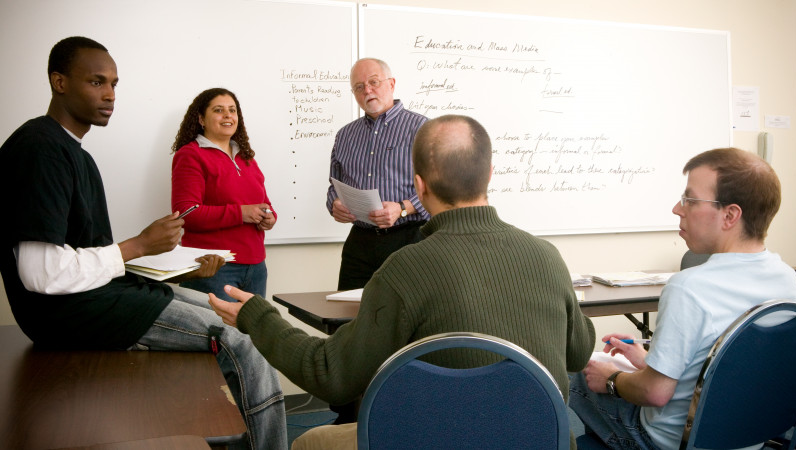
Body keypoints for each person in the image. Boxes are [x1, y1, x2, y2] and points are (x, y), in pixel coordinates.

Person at [211, 114, 596, 449]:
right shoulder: (547, 256)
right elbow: (578, 354)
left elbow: (330, 374)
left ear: (419, 185)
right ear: (490, 175)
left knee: (311, 441)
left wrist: (255, 315)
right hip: (545, 438)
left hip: (438, 440)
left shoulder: (405, 269)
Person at [0, 36, 286, 450]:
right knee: (240, 338)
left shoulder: (74, 153)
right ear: (59, 82)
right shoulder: (39, 150)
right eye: (96, 82)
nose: (110, 95)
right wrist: (139, 245)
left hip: (100, 295)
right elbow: (40, 273)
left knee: (229, 312)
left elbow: (82, 254)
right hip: (76, 312)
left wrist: (155, 258)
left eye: (114, 84)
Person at [569, 147, 796, 449]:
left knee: (582, 375)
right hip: (751, 439)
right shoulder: (788, 279)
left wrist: (612, 378)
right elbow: (730, 370)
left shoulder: (688, 287)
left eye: (690, 200)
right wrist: (650, 361)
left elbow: (655, 394)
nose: (677, 209)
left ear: (730, 215)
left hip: (670, 443)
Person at [327, 57, 430, 290]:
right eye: (359, 87)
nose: (368, 90)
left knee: (405, 318)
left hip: (410, 239)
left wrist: (403, 208)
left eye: (374, 82)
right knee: (348, 317)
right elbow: (334, 184)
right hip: (360, 242)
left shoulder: (422, 129)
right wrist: (334, 203)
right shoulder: (345, 135)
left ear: (391, 83)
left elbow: (439, 185)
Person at [171, 88, 276, 302]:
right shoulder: (191, 155)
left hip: (256, 267)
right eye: (219, 110)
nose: (228, 115)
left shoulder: (246, 157)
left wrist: (270, 216)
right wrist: (241, 213)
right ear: (201, 119)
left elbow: (264, 202)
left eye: (232, 110)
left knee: (252, 335)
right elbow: (187, 212)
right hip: (214, 268)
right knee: (219, 336)